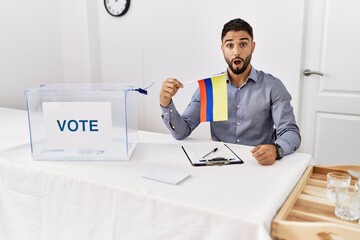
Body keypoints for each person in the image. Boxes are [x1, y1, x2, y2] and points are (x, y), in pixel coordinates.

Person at [159, 18, 301, 166]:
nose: (236, 51)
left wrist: (276, 149)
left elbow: (291, 132)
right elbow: (181, 132)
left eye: (243, 44)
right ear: (222, 49)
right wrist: (166, 102)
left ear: (252, 47)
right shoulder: (210, 87)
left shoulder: (273, 86)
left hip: (259, 165)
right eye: (230, 45)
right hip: (219, 163)